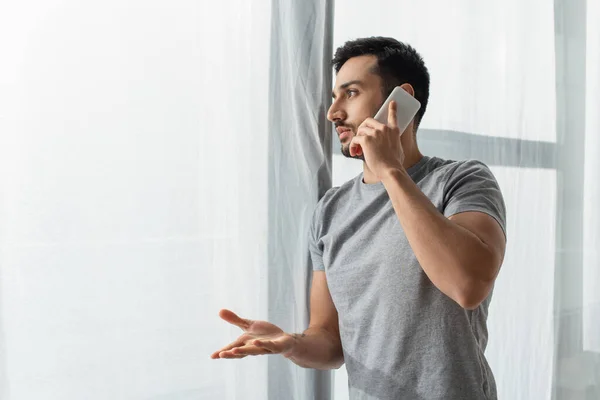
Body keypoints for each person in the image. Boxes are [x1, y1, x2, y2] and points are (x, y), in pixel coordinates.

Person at [211, 36, 507, 400]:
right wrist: (291, 343)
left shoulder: (462, 180)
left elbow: (468, 286)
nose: (333, 113)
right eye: (335, 97)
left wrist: (390, 171)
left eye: (350, 93)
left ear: (402, 101)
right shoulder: (330, 211)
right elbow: (331, 343)